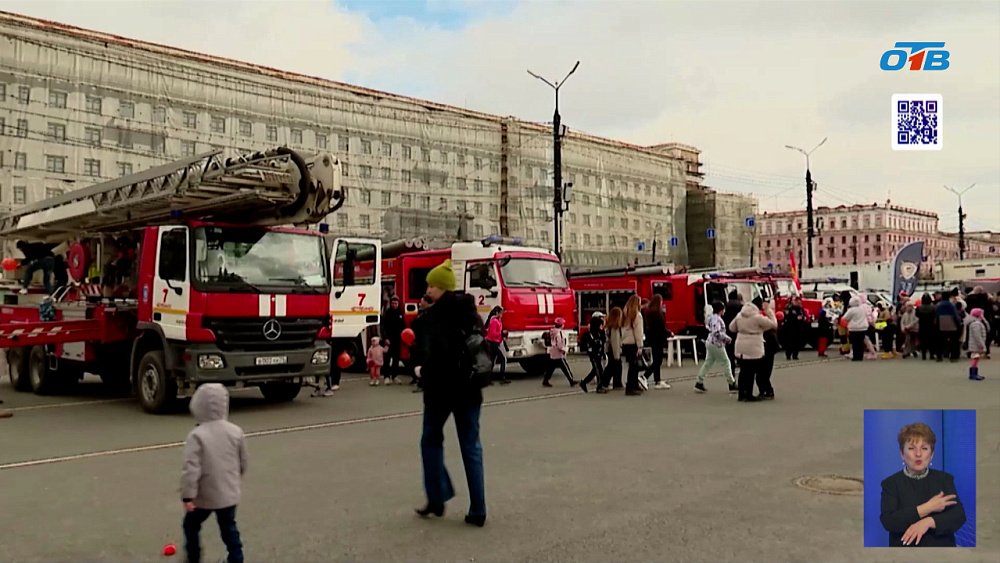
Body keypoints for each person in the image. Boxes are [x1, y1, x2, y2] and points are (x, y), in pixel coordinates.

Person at [412, 260, 488, 527]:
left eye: (432, 285)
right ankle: (478, 509)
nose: (428, 289)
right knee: (471, 447)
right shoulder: (472, 313)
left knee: (430, 441)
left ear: (442, 288)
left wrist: (422, 371)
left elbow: (435, 356)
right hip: (470, 389)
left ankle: (437, 496)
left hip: (441, 392)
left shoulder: (434, 318)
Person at [181, 383, 248, 563]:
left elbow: (191, 468)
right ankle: (236, 557)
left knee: (191, 525)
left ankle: (193, 557)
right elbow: (243, 462)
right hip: (229, 493)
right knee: (228, 527)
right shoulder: (236, 431)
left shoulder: (197, 435)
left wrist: (188, 496)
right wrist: (234, 480)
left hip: (205, 496)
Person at [880, 422, 966, 547]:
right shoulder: (890, 484)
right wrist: (928, 508)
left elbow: (959, 516)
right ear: (902, 454)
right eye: (911, 448)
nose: (918, 454)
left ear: (932, 454)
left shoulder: (944, 479)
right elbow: (889, 521)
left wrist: (928, 522)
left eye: (924, 448)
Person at [728, 298, 777, 402]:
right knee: (751, 371)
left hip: (740, 344)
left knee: (743, 370)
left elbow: (731, 328)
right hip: (753, 346)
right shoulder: (757, 317)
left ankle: (741, 394)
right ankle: (749, 394)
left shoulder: (739, 316)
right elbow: (773, 324)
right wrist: (770, 312)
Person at [694, 301, 736, 394]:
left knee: (708, 362)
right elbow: (716, 332)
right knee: (726, 362)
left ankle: (699, 381)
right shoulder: (717, 319)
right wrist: (727, 339)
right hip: (717, 343)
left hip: (710, 342)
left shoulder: (711, 318)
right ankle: (731, 383)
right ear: (721, 310)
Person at [641, 295, 670, 389]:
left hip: (653, 338)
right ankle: (645, 376)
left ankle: (657, 380)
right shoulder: (657, 313)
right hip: (658, 338)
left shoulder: (648, 312)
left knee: (656, 359)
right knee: (658, 360)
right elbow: (661, 327)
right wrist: (668, 333)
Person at [621, 295, 646, 396]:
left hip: (625, 343)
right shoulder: (637, 315)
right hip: (633, 343)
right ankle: (631, 387)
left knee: (631, 365)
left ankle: (633, 386)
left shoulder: (625, 314)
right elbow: (638, 332)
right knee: (634, 367)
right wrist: (640, 345)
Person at [542, 318, 576, 387]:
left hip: (553, 351)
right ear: (561, 325)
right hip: (559, 353)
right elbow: (560, 344)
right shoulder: (559, 333)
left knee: (551, 368)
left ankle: (545, 380)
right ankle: (571, 380)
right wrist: (564, 350)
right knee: (565, 367)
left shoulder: (552, 331)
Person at [579, 312, 607, 393]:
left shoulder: (600, 333)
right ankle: (599, 386)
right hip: (593, 354)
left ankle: (584, 382)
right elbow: (584, 345)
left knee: (595, 370)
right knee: (599, 370)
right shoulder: (589, 334)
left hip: (599, 353)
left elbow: (603, 341)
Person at [380, 295, 405, 384]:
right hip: (388, 340)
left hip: (397, 340)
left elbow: (403, 327)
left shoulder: (400, 313)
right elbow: (383, 327)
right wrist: (385, 338)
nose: (394, 305)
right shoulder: (387, 313)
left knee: (396, 359)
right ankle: (386, 376)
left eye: (396, 303)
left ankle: (395, 376)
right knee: (387, 358)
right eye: (393, 303)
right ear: (391, 304)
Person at [484, 306, 510, 385]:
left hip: (494, 342)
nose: (502, 314)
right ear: (497, 313)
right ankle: (502, 378)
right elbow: (492, 334)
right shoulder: (494, 321)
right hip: (492, 343)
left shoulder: (497, 320)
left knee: (492, 361)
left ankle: (488, 378)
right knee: (502, 359)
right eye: (501, 313)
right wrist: (502, 333)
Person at [601, 307, 625, 392]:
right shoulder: (615, 328)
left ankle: (607, 383)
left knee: (611, 367)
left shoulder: (610, 327)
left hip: (610, 350)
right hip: (614, 351)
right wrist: (617, 355)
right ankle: (614, 383)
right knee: (615, 367)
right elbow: (615, 342)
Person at [935, 291, 962, 362]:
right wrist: (958, 323)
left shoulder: (938, 305)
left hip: (940, 324)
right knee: (954, 341)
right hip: (952, 324)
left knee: (940, 341)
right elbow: (956, 316)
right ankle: (953, 356)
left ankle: (939, 356)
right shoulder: (952, 305)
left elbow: (936, 315)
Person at [722, 290, 743, 375]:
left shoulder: (725, 306)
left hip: (728, 333)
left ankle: (731, 379)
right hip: (738, 333)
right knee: (740, 355)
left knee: (730, 357)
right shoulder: (740, 307)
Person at [965, 308, 989, 381]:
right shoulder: (976, 324)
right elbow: (977, 336)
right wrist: (982, 345)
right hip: (976, 344)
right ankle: (973, 374)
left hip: (975, 344)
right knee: (975, 358)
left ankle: (974, 373)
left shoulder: (974, 322)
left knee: (976, 358)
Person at [781, 296, 805, 360]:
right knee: (790, 342)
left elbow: (803, 316)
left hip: (798, 328)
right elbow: (787, 317)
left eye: (799, 301)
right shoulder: (789, 308)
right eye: (797, 301)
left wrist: (802, 318)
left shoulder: (801, 309)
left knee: (797, 342)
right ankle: (788, 355)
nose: (799, 303)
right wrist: (796, 318)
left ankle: (795, 355)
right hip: (790, 328)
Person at [915, 294, 938, 361]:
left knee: (923, 341)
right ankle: (931, 355)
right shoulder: (933, 308)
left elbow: (917, 315)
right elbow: (935, 316)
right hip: (931, 326)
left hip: (922, 326)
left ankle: (924, 355)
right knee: (931, 341)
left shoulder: (918, 308)